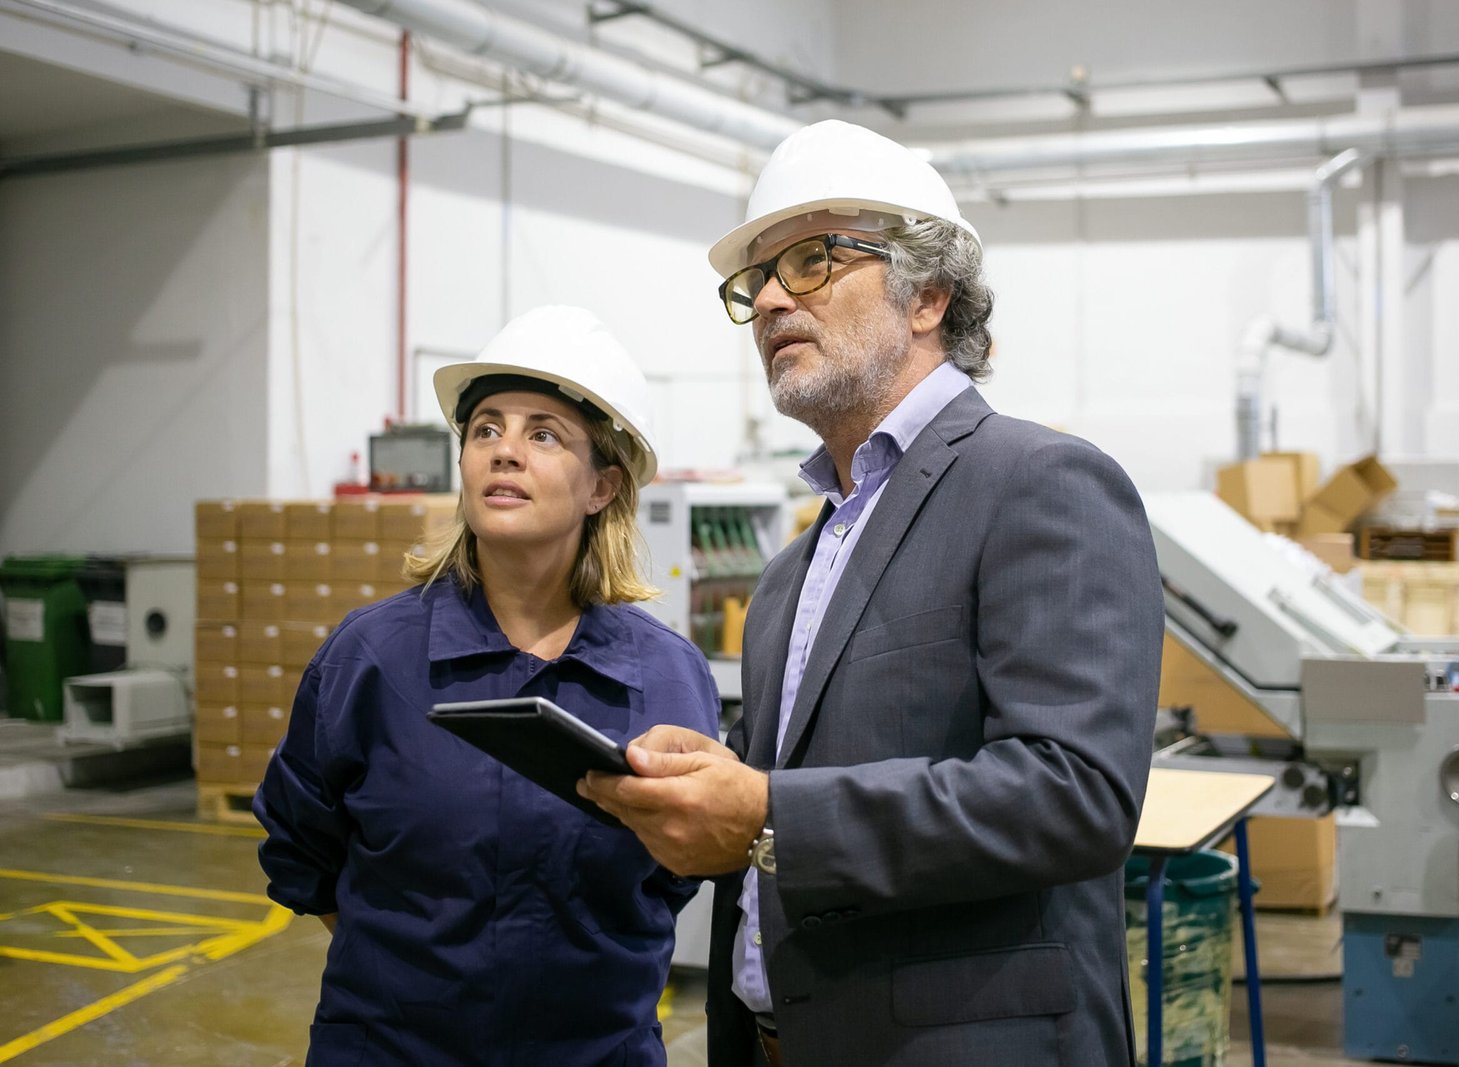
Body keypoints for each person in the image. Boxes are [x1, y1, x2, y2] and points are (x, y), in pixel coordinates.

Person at [579, 120, 1164, 1066]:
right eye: (756, 279)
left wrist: (768, 813)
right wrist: (706, 786)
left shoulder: (1039, 482)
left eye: (811, 258)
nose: (769, 298)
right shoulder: (791, 574)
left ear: (928, 293)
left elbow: (1076, 794)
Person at [254, 306, 719, 1066]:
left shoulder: (665, 673)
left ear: (603, 485)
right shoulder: (370, 657)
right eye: (485, 430)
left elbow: (677, 868)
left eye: (543, 434)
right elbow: (300, 847)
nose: (505, 451)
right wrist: (414, 977)